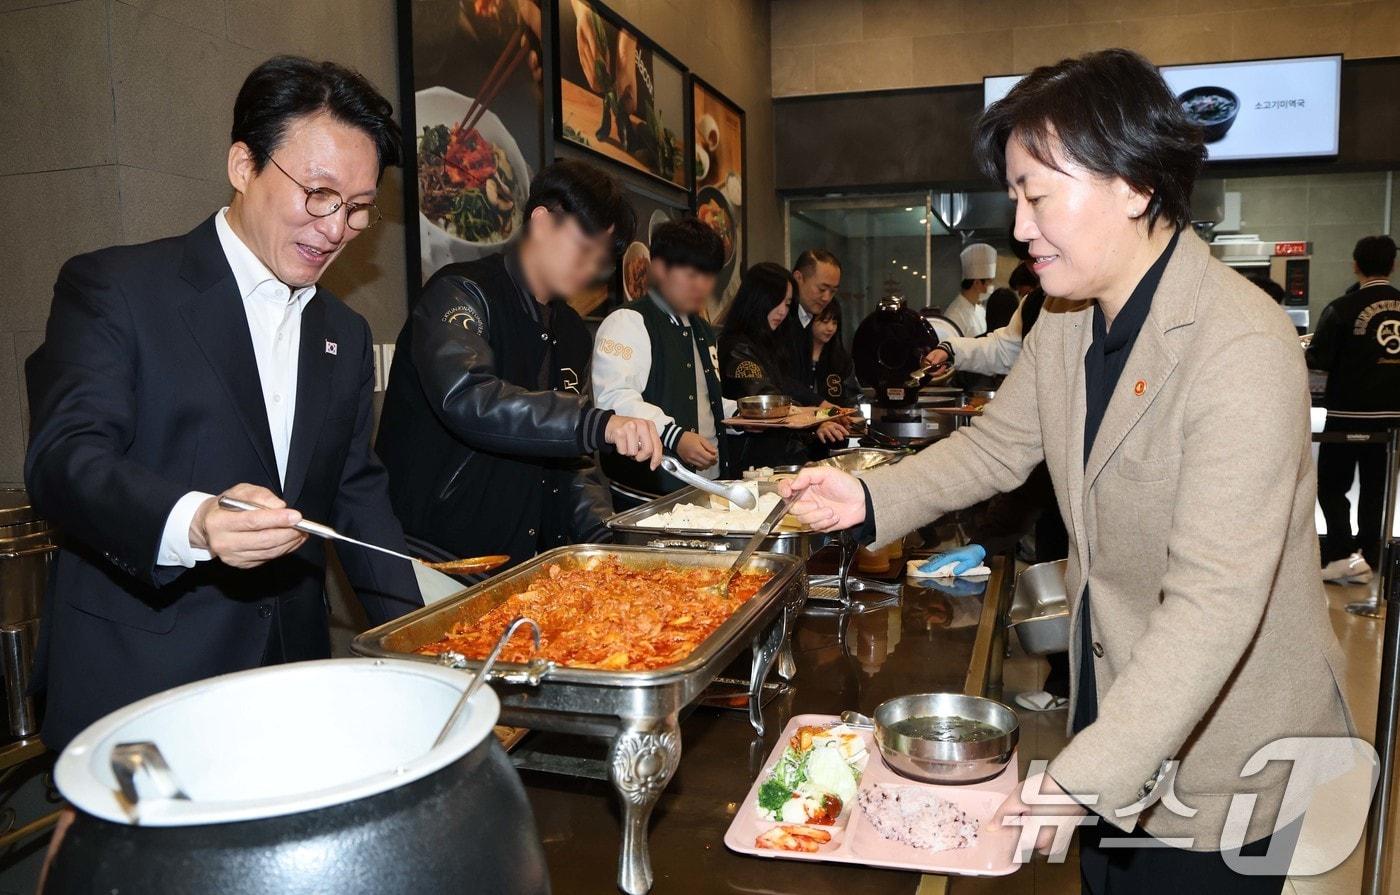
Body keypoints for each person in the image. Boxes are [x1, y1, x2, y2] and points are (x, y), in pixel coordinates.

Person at [780, 49, 1351, 894]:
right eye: (1015, 195)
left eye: (1037, 195)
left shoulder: (1241, 345)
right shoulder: (1069, 315)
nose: (1018, 226)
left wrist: (1087, 776)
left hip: (1222, 760)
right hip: (1116, 705)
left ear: (1132, 184)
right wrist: (867, 496)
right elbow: (999, 445)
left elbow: (1214, 603)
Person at [23, 56, 424, 749]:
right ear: (244, 166)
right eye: (319, 193)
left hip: (288, 686)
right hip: (144, 690)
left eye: (358, 208)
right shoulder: (118, 288)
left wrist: (425, 643)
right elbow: (64, 460)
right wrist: (198, 520)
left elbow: (354, 491)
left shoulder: (344, 335)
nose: (335, 228)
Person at [376, 160, 663, 568]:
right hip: (431, 549)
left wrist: (602, 539)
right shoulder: (460, 292)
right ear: (543, 221)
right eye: (584, 249)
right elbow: (470, 397)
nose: (590, 269)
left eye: (600, 260)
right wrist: (595, 424)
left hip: (512, 555)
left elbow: (575, 461)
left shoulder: (572, 331)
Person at [591, 217, 732, 502]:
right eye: (692, 274)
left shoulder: (702, 328)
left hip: (708, 484)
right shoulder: (628, 321)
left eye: (708, 276)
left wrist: (748, 415)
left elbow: (706, 399)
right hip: (650, 492)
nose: (702, 286)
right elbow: (615, 399)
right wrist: (675, 436)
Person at [1306, 234, 1400, 584]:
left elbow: (1319, 357)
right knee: (1379, 489)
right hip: (1393, 420)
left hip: (1349, 415)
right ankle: (1372, 558)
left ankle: (1342, 555)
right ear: (1393, 265)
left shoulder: (1343, 308)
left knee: (1332, 487)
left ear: (1356, 264)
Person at [719, 262, 847, 476]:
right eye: (776, 301)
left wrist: (824, 414)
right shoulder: (737, 347)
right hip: (751, 465)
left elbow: (787, 388)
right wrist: (820, 417)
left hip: (775, 458)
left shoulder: (768, 344)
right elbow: (768, 402)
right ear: (757, 299)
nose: (782, 311)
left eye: (787, 304)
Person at [779, 248, 843, 379]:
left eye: (833, 291)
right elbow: (782, 379)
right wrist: (819, 401)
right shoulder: (780, 318)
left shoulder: (808, 318)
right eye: (822, 289)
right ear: (798, 278)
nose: (826, 298)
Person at [809, 297, 860, 407]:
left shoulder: (841, 359)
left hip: (835, 419)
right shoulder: (797, 355)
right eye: (825, 321)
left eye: (834, 322)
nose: (830, 328)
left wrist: (830, 415)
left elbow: (850, 399)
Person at [943, 243, 997, 337]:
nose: (991, 286)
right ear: (977, 283)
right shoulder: (955, 315)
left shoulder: (980, 310)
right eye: (989, 282)